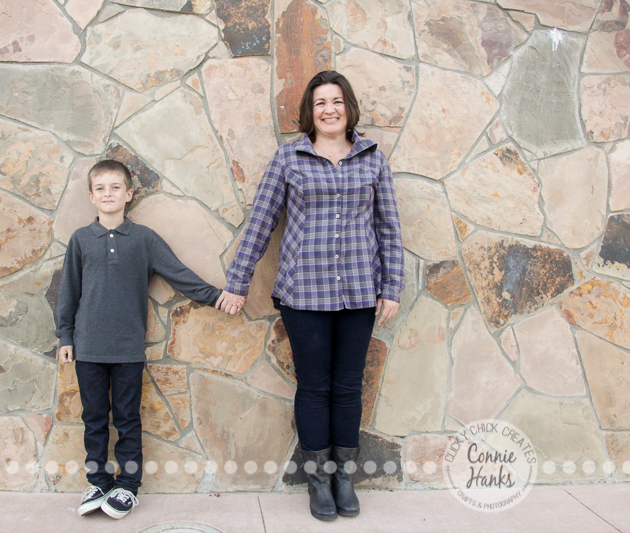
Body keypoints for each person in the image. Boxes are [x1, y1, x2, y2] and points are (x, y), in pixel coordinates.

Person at [218, 71, 405, 521]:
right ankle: (318, 479)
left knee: (347, 387)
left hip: (360, 291)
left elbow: (389, 228)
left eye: (336, 101)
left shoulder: (372, 159)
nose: (329, 109)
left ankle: (344, 476)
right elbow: (262, 221)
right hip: (304, 293)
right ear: (310, 111)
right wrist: (237, 281)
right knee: (314, 386)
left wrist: (391, 287)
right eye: (320, 102)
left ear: (348, 107)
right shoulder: (290, 158)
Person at [56, 160, 239, 519]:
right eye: (101, 188)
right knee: (93, 417)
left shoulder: (144, 240)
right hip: (89, 347)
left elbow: (178, 273)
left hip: (127, 349)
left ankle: (128, 485)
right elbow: (69, 291)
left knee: (126, 417)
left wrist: (216, 296)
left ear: (129, 194)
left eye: (115, 187)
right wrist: (66, 336)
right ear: (91, 196)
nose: (108, 194)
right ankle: (97, 480)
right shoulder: (80, 240)